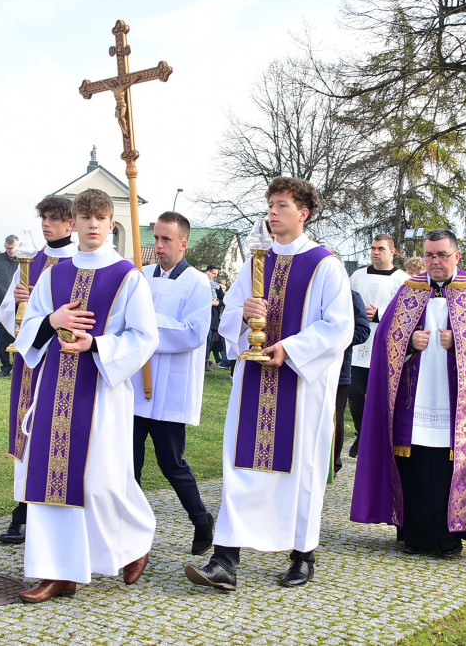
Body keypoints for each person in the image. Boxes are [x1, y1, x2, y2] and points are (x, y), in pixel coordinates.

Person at [185, 176, 352, 591]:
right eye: (270, 205)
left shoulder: (326, 265)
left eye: (282, 206)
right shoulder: (256, 262)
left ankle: (302, 554)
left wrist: (290, 349)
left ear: (303, 213)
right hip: (254, 383)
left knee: (301, 470)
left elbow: (339, 327)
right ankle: (225, 560)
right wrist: (244, 313)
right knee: (241, 466)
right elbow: (228, 318)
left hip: (301, 388)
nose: (272, 213)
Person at [350, 228, 466, 557]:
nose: (435, 261)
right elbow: (385, 337)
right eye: (429, 255)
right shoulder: (410, 289)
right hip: (414, 399)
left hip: (458, 403)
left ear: (457, 256)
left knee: (451, 468)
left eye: (442, 255)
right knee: (414, 465)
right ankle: (412, 535)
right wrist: (408, 342)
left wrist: (461, 343)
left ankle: (449, 539)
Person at [11, 188, 158, 604]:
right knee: (51, 478)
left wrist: (96, 345)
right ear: (73, 223)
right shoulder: (53, 275)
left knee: (100, 482)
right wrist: (52, 319)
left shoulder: (128, 276)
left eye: (100, 218)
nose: (93, 225)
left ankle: (134, 541)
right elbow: (28, 328)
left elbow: (144, 337)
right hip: (53, 386)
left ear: (111, 224)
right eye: (85, 217)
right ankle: (58, 572)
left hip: (101, 391)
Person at [131, 211, 215, 555]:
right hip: (136, 387)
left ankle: (201, 519)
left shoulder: (197, 283)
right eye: (156, 238)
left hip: (170, 389)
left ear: (183, 243)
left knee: (171, 463)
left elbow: (193, 333)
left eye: (167, 239)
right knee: (129, 465)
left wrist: (147, 325)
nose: (159, 245)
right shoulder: (140, 276)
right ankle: (131, 532)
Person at [0, 196, 78, 545]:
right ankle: (22, 512)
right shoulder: (31, 261)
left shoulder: (80, 261)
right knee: (25, 434)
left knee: (57, 434)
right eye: (44, 217)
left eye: (55, 218)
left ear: (71, 223)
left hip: (65, 360)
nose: (47, 224)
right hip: (30, 360)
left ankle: (56, 513)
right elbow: (8, 314)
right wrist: (17, 302)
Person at [348, 235, 413, 459]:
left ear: (392, 252)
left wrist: (380, 314)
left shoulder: (402, 280)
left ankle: (381, 436)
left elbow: (407, 314)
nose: (376, 252)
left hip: (386, 343)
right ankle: (361, 433)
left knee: (381, 393)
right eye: (373, 248)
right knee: (355, 391)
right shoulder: (357, 276)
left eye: (381, 249)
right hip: (359, 343)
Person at [333, 289, 371, 474]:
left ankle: (333, 463)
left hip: (339, 369)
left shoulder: (351, 295)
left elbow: (363, 331)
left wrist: (334, 341)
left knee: (335, 418)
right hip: (307, 368)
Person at [0, 235, 20, 377]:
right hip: (2, 301)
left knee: (18, 333)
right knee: (3, 334)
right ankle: (5, 366)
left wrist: (14, 295)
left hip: (18, 302)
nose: (11, 251)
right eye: (9, 248)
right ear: (5, 246)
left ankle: (17, 364)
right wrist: (7, 294)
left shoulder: (23, 260)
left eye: (14, 248)